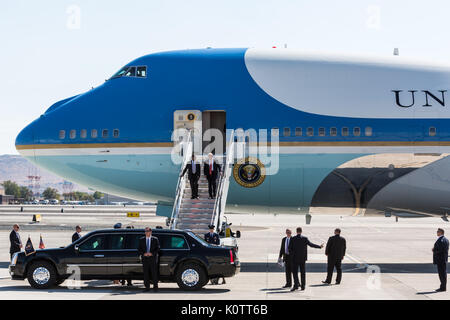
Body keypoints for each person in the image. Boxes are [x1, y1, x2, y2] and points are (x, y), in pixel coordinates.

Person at [288, 227, 323, 291]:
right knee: (303, 273)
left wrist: (292, 255)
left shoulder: (293, 238)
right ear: (301, 231)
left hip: (295, 259)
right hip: (302, 259)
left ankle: (296, 285)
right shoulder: (304, 238)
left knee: (295, 273)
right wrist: (319, 247)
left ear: (296, 231)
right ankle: (303, 286)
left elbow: (289, 248)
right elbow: (311, 244)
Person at [138, 227, 160, 292]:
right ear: (145, 232)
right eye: (146, 231)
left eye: (148, 231)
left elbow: (158, 248)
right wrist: (143, 254)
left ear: (151, 232)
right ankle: (147, 287)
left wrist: (152, 253)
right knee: (146, 273)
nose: (147, 232)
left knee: (154, 273)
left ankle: (155, 287)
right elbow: (139, 249)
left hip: (152, 258)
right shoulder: (141, 239)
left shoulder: (155, 239)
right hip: (145, 259)